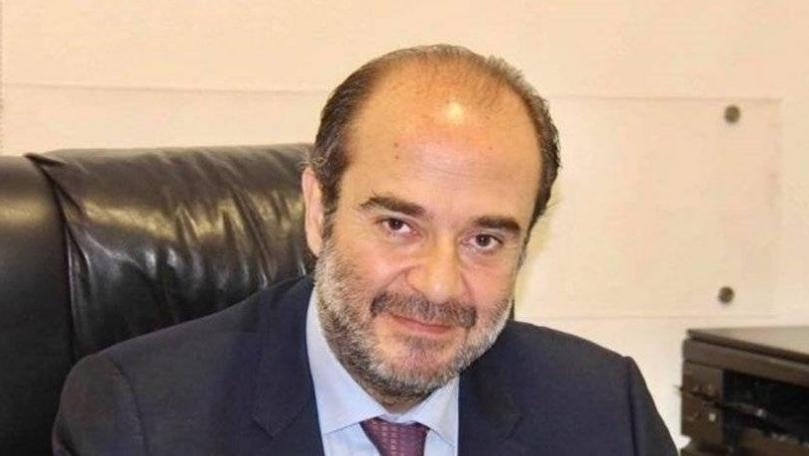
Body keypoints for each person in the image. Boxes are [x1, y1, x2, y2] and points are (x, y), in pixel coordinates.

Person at [53, 45, 677, 455]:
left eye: (484, 240)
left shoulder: (604, 412)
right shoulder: (140, 420)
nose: (438, 285)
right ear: (317, 211)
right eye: (398, 225)